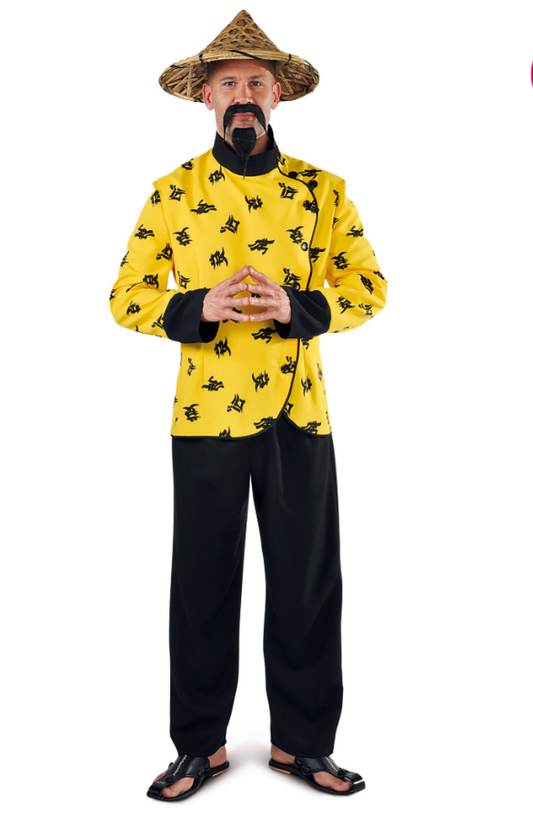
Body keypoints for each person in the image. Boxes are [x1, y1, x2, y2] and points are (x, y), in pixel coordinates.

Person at [110, 9, 387, 802]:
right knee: (201, 585)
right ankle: (199, 746)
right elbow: (126, 296)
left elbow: (369, 286)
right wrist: (195, 306)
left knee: (306, 585)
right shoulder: (172, 194)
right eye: (227, 82)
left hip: (300, 415)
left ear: (276, 96)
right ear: (205, 97)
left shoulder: (322, 192)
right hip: (206, 417)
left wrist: (297, 307)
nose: (242, 94)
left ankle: (303, 745)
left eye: (255, 82)